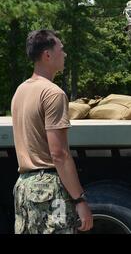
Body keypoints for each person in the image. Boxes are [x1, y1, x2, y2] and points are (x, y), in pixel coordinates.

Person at [11, 30, 93, 234]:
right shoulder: (53, 93)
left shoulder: (20, 91)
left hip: (24, 187)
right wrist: (79, 199)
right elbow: (59, 154)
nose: (64, 55)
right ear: (47, 55)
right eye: (61, 50)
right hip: (48, 191)